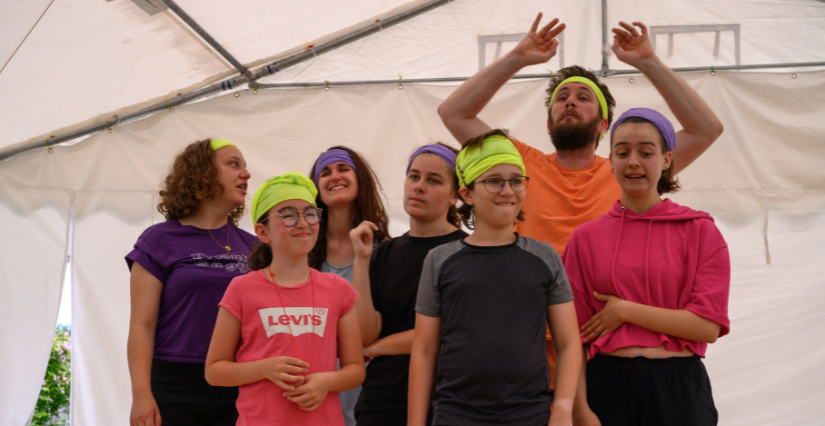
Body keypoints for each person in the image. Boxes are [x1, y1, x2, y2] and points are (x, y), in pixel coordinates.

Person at [437, 13, 724, 386]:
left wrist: (648, 62)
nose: (570, 102)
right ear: (548, 122)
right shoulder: (518, 163)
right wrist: (518, 58)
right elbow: (453, 113)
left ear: (604, 124)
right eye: (561, 98)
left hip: (604, 348)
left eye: (583, 97)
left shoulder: (627, 171)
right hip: (527, 345)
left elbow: (705, 130)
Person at [563, 109, 730, 426]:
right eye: (623, 152)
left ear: (667, 159)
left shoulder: (699, 229)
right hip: (606, 387)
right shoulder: (585, 239)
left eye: (646, 152)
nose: (634, 162)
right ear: (610, 161)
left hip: (678, 390)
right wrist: (580, 409)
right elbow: (573, 338)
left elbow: (708, 327)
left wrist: (625, 310)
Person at [408, 132, 582, 426]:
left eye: (517, 180)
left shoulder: (545, 257)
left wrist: (563, 409)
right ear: (467, 194)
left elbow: (568, 343)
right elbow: (424, 349)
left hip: (530, 415)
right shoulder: (439, 260)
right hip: (455, 415)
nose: (508, 190)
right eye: (494, 181)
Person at [204, 172, 365, 426]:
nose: (302, 222)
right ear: (263, 232)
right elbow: (214, 371)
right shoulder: (241, 289)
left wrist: (327, 381)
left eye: (310, 213)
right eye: (288, 215)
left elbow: (355, 368)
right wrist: (264, 368)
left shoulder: (338, 289)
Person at [126, 139, 258, 426]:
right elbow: (141, 324)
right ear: (202, 172)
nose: (246, 174)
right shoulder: (158, 240)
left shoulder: (257, 248)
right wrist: (141, 395)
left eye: (245, 167)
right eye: (234, 164)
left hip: (242, 383)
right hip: (174, 385)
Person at [348, 143, 466, 425]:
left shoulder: (468, 252)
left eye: (433, 180)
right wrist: (361, 261)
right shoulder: (383, 254)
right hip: (382, 401)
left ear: (455, 196)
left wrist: (379, 347)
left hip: (448, 401)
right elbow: (364, 335)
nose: (419, 186)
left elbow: (454, 334)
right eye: (414, 176)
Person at [308, 146, 391, 426]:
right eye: (325, 172)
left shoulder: (386, 251)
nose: (334, 176)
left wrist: (361, 259)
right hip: (312, 391)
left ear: (361, 179)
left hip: (371, 395)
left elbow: (368, 334)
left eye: (343, 168)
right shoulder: (302, 252)